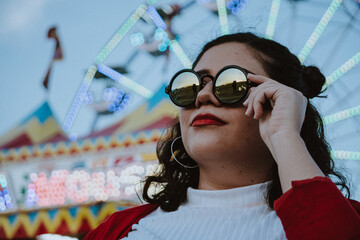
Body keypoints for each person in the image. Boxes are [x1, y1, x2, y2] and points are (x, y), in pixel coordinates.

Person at [84, 32, 360, 240]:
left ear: (278, 101)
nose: (203, 96)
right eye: (190, 86)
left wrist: (284, 134)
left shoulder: (344, 220)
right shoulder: (118, 231)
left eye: (231, 85)